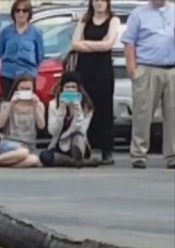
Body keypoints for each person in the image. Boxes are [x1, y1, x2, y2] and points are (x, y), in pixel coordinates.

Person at [121, 0, 175, 169]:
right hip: (147, 68)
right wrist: (132, 69)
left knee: (173, 115)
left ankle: (172, 155)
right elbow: (129, 42)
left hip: (171, 68)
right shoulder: (139, 14)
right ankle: (138, 154)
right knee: (142, 113)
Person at [70, 0, 121, 165]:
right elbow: (75, 43)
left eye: (103, 1)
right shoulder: (84, 20)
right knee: (85, 107)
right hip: (84, 69)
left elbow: (108, 44)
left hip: (103, 70)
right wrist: (96, 45)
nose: (99, 4)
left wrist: (86, 44)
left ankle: (106, 149)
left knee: (104, 108)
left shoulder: (113, 20)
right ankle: (85, 146)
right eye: (96, 1)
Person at [0, 76, 47, 168]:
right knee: (23, 152)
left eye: (28, 89)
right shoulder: (7, 105)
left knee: (33, 159)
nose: (25, 92)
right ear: (16, 89)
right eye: (22, 89)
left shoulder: (38, 105)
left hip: (28, 146)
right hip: (10, 143)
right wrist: (11, 104)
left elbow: (41, 126)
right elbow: (0, 124)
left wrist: (35, 106)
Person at [39, 72, 97, 167]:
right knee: (45, 156)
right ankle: (77, 162)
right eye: (67, 87)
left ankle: (76, 159)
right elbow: (53, 131)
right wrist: (61, 112)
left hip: (78, 144)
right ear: (62, 89)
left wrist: (78, 113)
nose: (70, 90)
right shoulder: (53, 105)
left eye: (73, 87)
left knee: (78, 137)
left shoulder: (87, 107)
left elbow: (82, 130)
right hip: (59, 145)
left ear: (78, 89)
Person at [0, 0, 45, 99]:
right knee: (9, 104)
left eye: (24, 10)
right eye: (17, 10)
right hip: (8, 75)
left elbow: (39, 55)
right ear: (13, 13)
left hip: (27, 76)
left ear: (29, 13)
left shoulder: (36, 32)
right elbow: (0, 52)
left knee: (25, 105)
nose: (21, 13)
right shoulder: (6, 32)